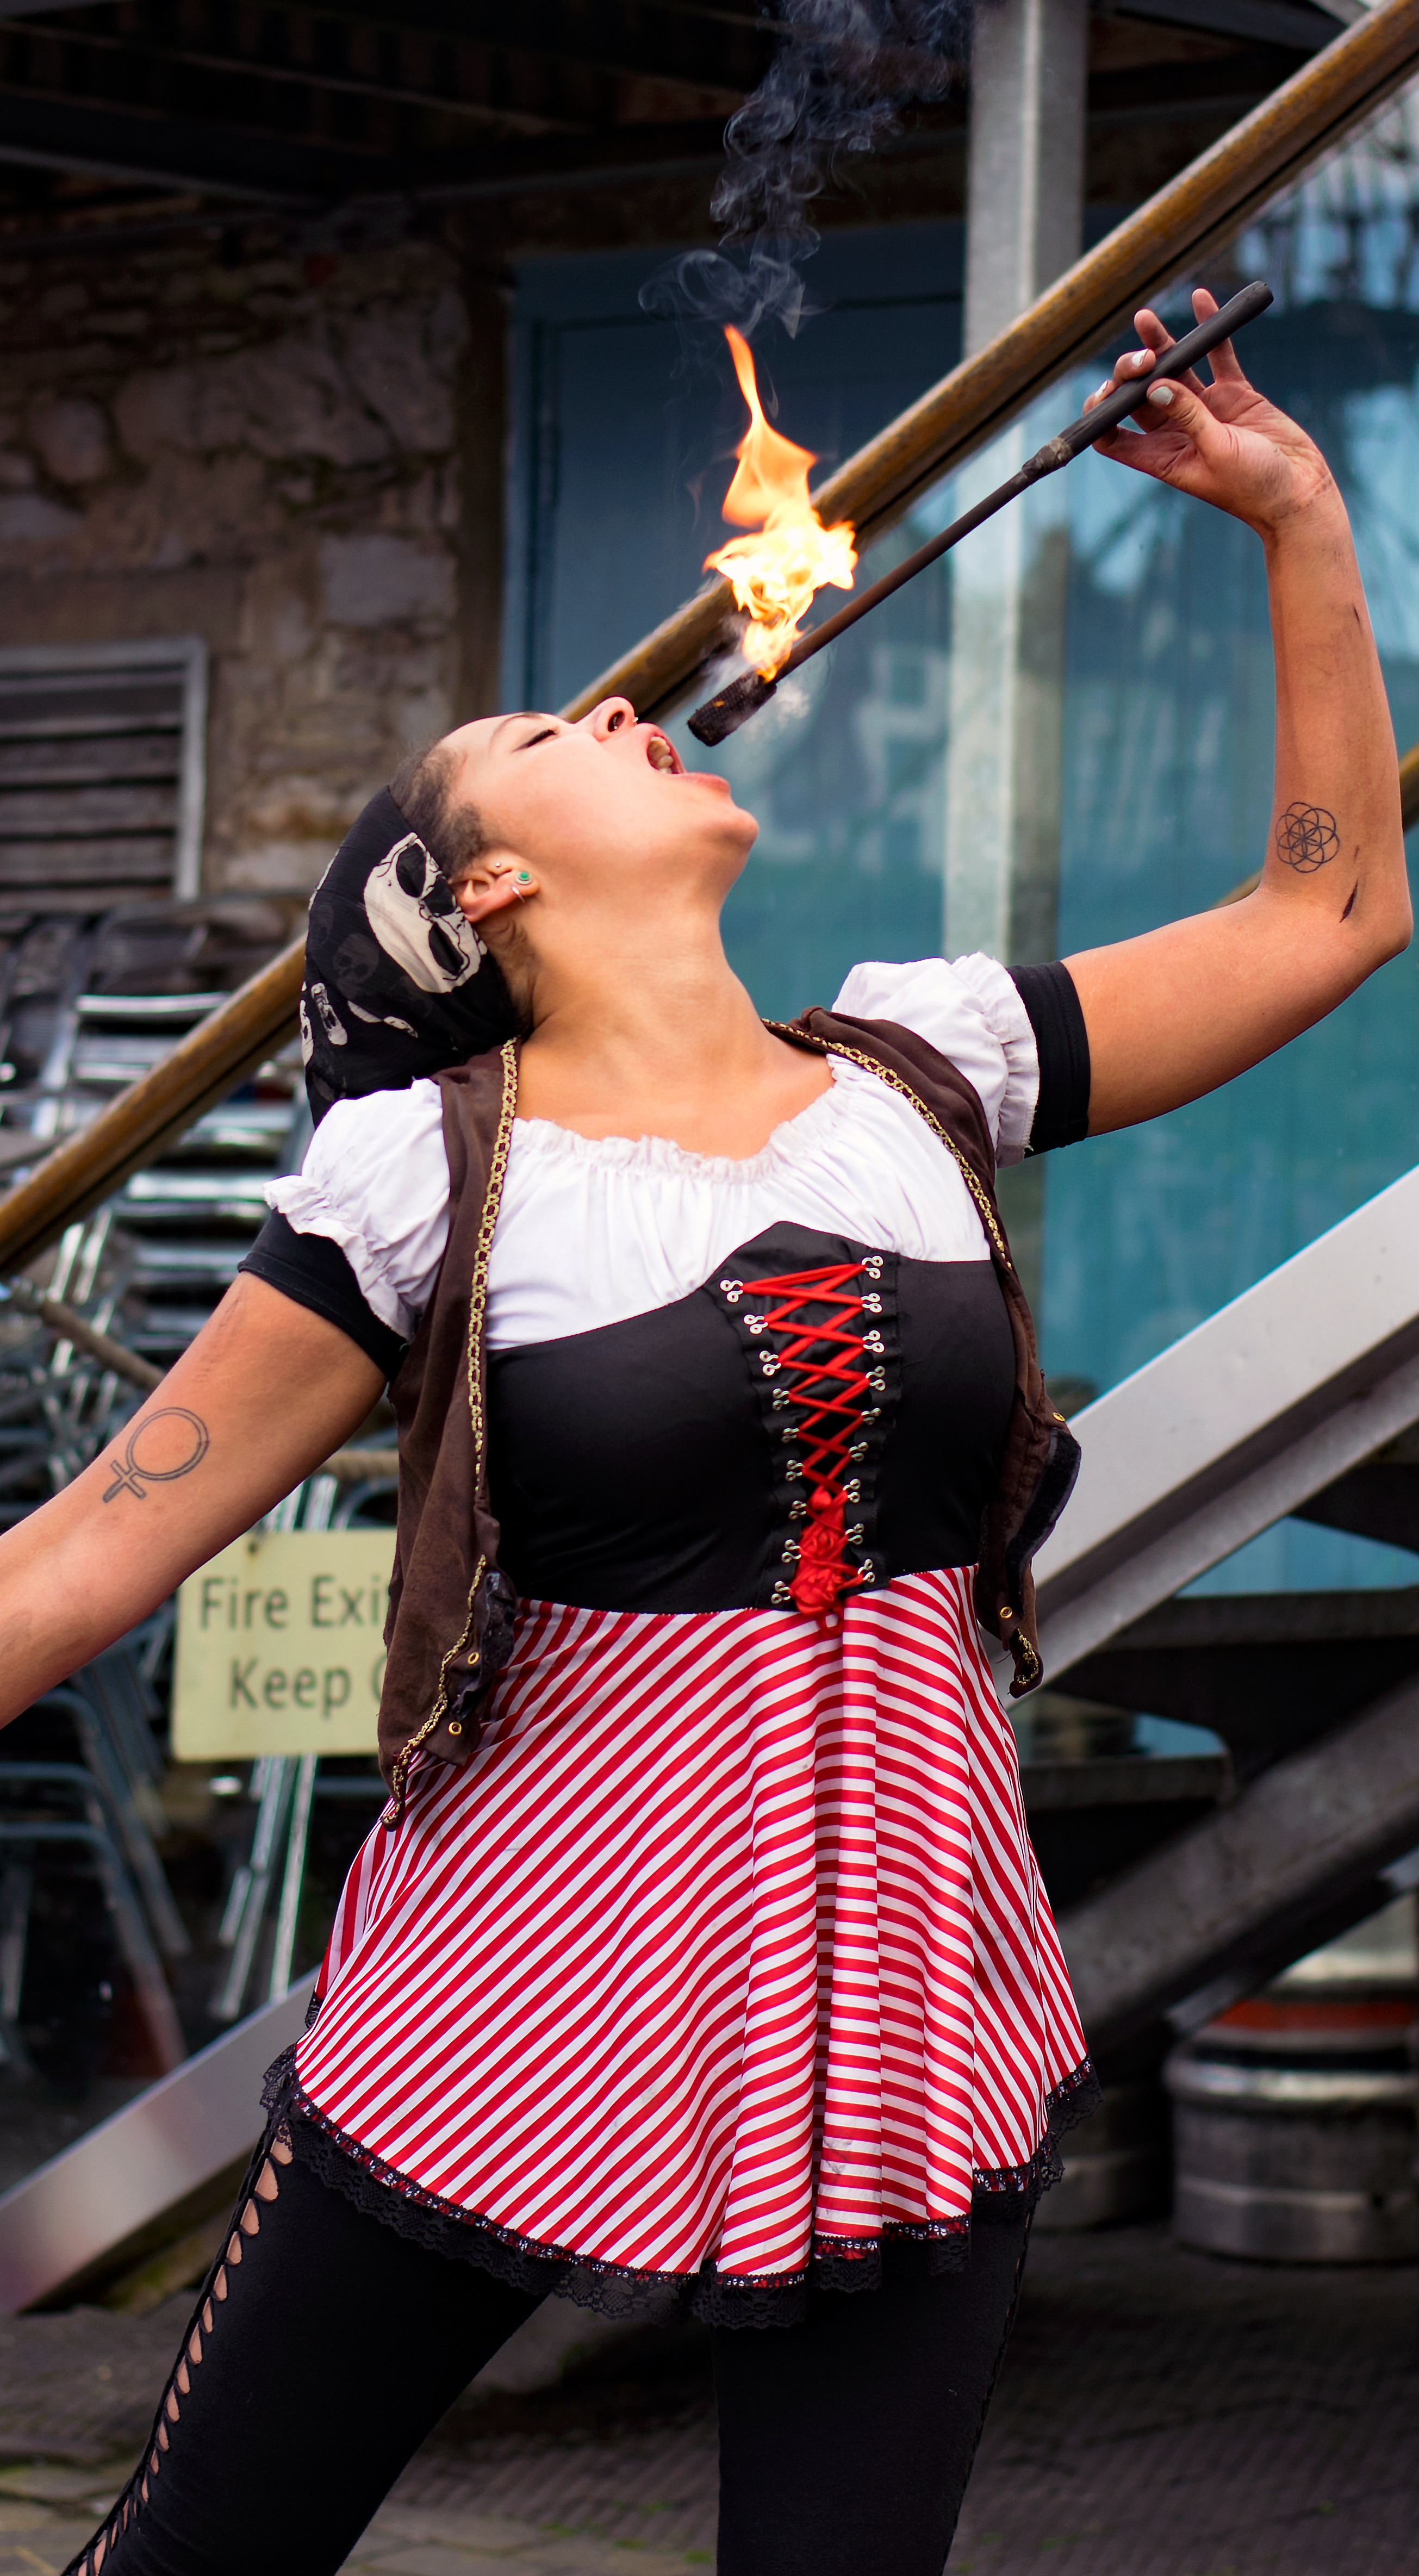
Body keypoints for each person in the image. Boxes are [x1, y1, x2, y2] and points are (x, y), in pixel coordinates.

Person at [0, 294, 1405, 2576]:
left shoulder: (922, 1072)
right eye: (548, 729)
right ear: (483, 889)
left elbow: (1330, 911)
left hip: (900, 2001)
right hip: (510, 1992)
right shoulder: (423, 1180)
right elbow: (82, 1555)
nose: (623, 706)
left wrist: (1296, 514)